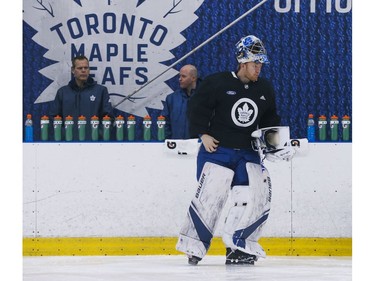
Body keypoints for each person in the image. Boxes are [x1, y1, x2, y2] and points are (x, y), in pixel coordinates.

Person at [176, 35, 295, 265]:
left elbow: (270, 120)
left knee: (249, 199)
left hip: (248, 153)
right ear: (242, 62)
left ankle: (238, 248)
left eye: (261, 64)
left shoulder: (265, 88)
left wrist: (275, 145)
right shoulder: (216, 83)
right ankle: (194, 247)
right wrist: (204, 134)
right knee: (211, 197)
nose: (259, 68)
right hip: (217, 151)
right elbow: (195, 107)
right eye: (255, 63)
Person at [49, 55, 114, 140]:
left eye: (86, 68)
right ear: (73, 70)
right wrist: (65, 135)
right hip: (68, 144)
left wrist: (96, 135)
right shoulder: (63, 92)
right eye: (80, 68)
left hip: (93, 145)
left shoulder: (101, 91)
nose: (83, 70)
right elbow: (54, 118)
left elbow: (108, 117)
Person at [161, 64, 199, 139]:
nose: (180, 79)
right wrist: (167, 142)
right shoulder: (171, 98)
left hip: (198, 145)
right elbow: (165, 123)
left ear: (193, 78)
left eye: (183, 76)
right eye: (179, 76)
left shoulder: (205, 97)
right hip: (175, 145)